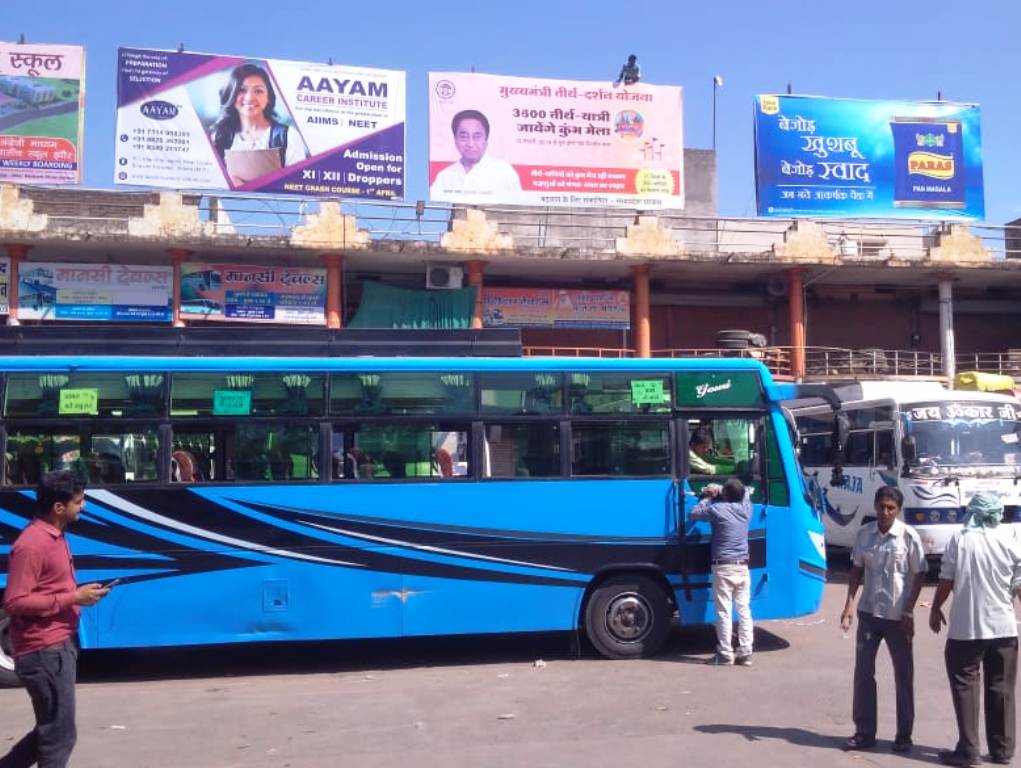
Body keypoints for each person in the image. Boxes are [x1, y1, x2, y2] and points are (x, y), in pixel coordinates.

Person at [1, 470, 109, 768]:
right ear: (58, 507)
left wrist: (81, 594)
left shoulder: (55, 536)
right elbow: (16, 601)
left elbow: (50, 587)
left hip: (57, 649)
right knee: (59, 736)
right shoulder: (32, 544)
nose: (84, 506)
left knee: (52, 730)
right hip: (43, 652)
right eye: (79, 501)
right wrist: (73, 598)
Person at [929, 491, 1021, 767]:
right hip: (1004, 628)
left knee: (965, 687)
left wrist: (936, 608)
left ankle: (968, 751)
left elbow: (946, 579)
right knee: (1002, 688)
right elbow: (1018, 582)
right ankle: (1002, 751)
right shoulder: (1010, 538)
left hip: (966, 628)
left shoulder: (960, 539)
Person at [839, 486, 926, 754]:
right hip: (869, 613)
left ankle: (904, 735)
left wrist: (910, 610)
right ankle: (864, 732)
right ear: (875, 506)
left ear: (898, 510)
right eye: (882, 507)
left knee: (903, 675)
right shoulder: (865, 534)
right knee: (863, 673)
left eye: (891, 508)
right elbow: (856, 570)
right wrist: (849, 605)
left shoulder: (909, 537)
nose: (885, 512)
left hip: (898, 618)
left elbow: (920, 574)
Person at [689, 477, 754, 666]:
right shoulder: (746, 509)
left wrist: (708, 496)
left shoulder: (718, 509)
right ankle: (746, 652)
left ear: (725, 495)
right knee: (744, 610)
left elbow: (693, 514)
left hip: (723, 566)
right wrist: (723, 491)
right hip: (743, 566)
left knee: (724, 611)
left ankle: (725, 653)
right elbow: (746, 493)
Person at [209, 63, 307, 185]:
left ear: (269, 97)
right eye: (242, 90)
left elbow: (296, 184)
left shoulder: (288, 136)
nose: (250, 97)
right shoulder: (218, 137)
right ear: (231, 95)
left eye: (258, 91)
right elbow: (208, 179)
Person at [430, 109, 521, 200]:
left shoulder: (504, 171)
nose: (470, 144)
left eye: (477, 137)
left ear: (486, 140)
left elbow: (519, 207)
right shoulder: (444, 176)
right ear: (455, 140)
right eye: (464, 137)